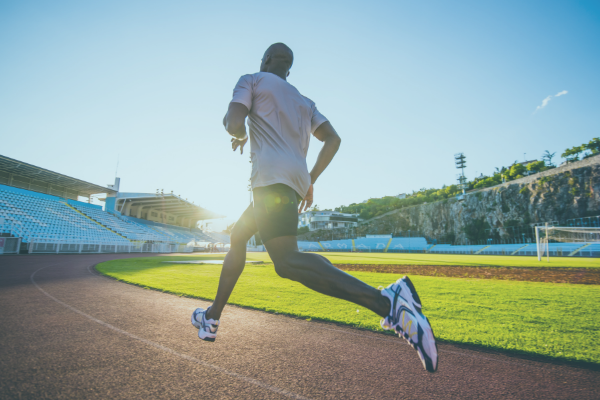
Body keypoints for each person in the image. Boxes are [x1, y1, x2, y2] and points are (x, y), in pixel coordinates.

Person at [192, 43, 438, 372]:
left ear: (264, 61)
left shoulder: (251, 80)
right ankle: (212, 318)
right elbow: (333, 139)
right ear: (288, 70)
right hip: (291, 184)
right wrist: (311, 179)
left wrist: (237, 131)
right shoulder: (305, 102)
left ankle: (388, 302)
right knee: (238, 238)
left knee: (286, 262)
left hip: (270, 182)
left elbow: (233, 121)